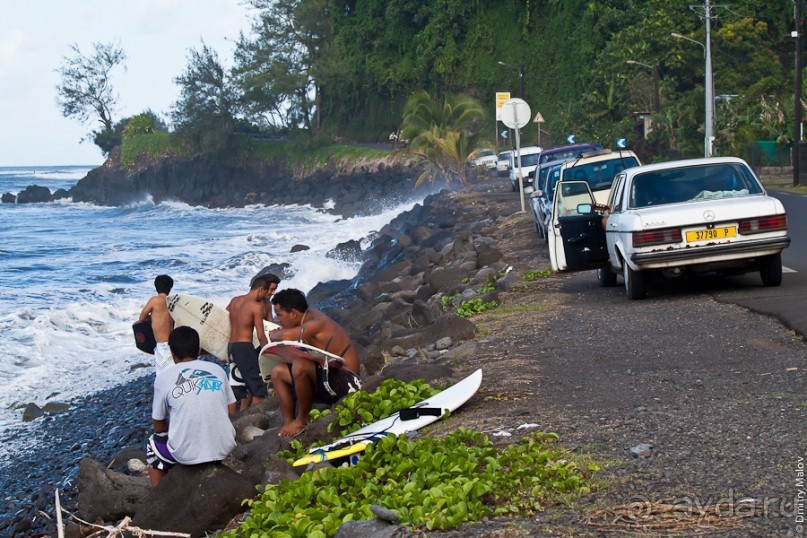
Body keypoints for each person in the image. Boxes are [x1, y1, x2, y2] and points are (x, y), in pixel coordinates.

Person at [145, 326, 236, 487]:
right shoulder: (217, 370)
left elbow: (158, 425)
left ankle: (158, 499)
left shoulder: (163, 378)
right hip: (224, 446)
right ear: (199, 349)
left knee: (153, 444)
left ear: (172, 353)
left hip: (186, 455)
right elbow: (232, 407)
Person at [269, 289, 362, 437]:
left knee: (300, 365)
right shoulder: (303, 319)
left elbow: (284, 336)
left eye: (279, 315)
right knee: (278, 371)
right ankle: (288, 422)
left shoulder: (316, 322)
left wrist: (274, 334)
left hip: (347, 382)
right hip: (326, 376)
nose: (277, 320)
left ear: (293, 313)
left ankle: (302, 420)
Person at [226, 276, 272, 409]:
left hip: (231, 347)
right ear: (261, 289)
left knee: (239, 385)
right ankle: (258, 416)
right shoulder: (256, 306)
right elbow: (260, 334)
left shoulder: (235, 300)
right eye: (266, 292)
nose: (266, 296)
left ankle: (239, 417)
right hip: (244, 347)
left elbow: (222, 322)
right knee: (258, 387)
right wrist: (267, 353)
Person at [138, 274, 175, 371]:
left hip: (163, 345)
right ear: (170, 287)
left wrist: (152, 317)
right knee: (173, 370)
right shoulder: (172, 301)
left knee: (163, 374)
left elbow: (142, 318)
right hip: (174, 342)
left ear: (156, 287)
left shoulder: (155, 300)